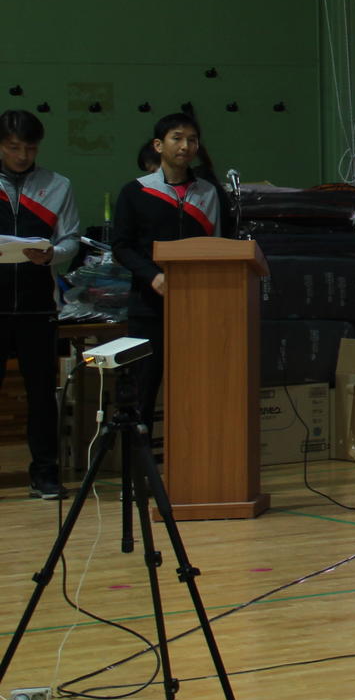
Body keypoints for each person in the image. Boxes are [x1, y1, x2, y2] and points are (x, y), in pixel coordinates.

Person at [110, 112, 229, 426]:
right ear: (158, 145)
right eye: (177, 138)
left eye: (192, 140)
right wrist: (153, 276)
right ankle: (139, 454)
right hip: (149, 306)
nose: (186, 146)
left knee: (196, 388)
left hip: (199, 305)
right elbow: (121, 246)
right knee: (143, 390)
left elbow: (221, 245)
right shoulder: (135, 192)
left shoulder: (210, 193)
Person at [0, 110, 81, 500]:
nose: (22, 156)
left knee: (42, 394)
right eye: (13, 147)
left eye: (30, 148)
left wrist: (52, 255)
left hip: (38, 306)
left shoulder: (57, 185)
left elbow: (71, 240)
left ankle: (45, 474)